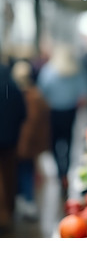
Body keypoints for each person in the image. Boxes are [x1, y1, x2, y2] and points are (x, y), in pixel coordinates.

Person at [37, 43, 87, 193]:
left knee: (54, 142)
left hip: (53, 112)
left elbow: (42, 91)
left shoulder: (48, 70)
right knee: (68, 142)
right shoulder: (77, 70)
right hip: (70, 111)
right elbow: (85, 92)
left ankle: (59, 171)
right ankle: (65, 172)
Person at [12, 60, 51, 220]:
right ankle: (26, 202)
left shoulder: (20, 96)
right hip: (29, 145)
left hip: (21, 144)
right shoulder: (36, 95)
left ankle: (26, 202)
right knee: (26, 172)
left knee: (23, 173)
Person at [0, 60, 26, 234]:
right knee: (10, 175)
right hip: (10, 140)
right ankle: (9, 211)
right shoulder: (13, 87)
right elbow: (23, 113)